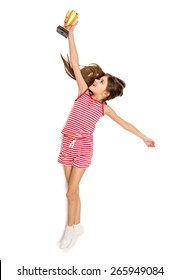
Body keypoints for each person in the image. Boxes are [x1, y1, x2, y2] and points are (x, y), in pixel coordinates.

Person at [57, 22, 155, 249]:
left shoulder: (103, 108)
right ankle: (77, 226)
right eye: (98, 79)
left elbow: (125, 125)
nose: (95, 81)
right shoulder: (83, 93)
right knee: (72, 191)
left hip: (82, 147)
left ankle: (70, 229)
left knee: (71, 191)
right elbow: (74, 60)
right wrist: (71, 34)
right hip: (67, 143)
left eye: (100, 82)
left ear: (106, 93)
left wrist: (144, 137)